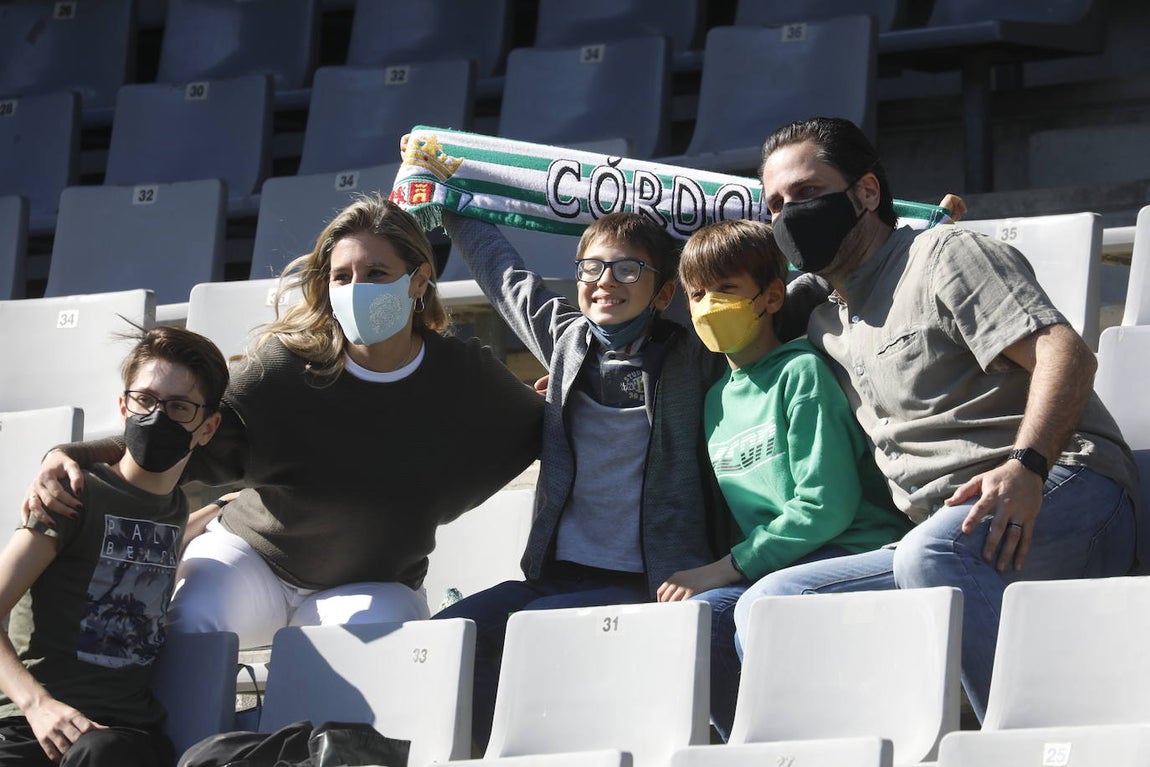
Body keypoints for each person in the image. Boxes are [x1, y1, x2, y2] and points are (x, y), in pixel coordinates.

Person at [735, 116, 1140, 721]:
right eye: (775, 205)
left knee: (932, 555)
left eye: (808, 192)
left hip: (1061, 487)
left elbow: (1066, 354)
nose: (790, 214)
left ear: (866, 192)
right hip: (944, 533)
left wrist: (1026, 466)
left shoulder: (946, 255)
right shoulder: (821, 315)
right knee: (773, 602)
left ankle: (1033, 741)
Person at [24, 195, 543, 650]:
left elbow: (541, 427)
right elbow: (179, 432)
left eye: (376, 274)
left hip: (373, 584)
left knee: (383, 647)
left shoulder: (464, 372)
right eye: (342, 277)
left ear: (419, 281)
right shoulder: (286, 367)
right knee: (193, 621)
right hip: (254, 560)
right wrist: (72, 454)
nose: (356, 289)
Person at [432, 207, 730, 749]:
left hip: (650, 581)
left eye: (628, 270)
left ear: (664, 294)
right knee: (451, 635)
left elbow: (777, 293)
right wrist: (449, 199)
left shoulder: (696, 358)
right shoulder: (565, 341)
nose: (605, 281)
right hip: (557, 574)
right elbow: (506, 278)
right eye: (592, 268)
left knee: (533, 631)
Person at [658, 219, 912, 738]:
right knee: (697, 623)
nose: (708, 306)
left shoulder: (801, 372)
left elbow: (826, 506)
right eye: (697, 294)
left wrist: (727, 567)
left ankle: (797, 742)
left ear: (772, 297)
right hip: (778, 566)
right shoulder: (715, 400)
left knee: (762, 605)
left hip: (850, 550)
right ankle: (750, 745)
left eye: (726, 289)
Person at [0, 326, 227, 767]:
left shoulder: (177, 509)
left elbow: (145, 542)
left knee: (103, 753)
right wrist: (37, 705)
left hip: (120, 738)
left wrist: (220, 508)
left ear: (208, 427)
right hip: (31, 728)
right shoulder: (71, 494)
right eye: (145, 400)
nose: (157, 417)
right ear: (124, 406)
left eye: (178, 407)